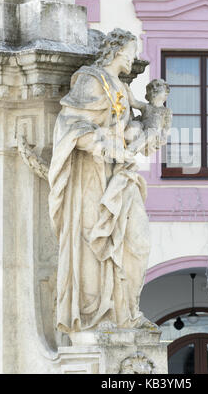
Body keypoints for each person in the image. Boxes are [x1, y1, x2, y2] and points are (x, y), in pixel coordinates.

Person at [48, 28, 159, 334]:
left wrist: (143, 129)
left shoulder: (122, 88)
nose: (133, 58)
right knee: (94, 244)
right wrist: (107, 144)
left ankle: (127, 312)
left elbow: (130, 131)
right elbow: (70, 125)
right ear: (116, 51)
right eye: (130, 52)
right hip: (92, 179)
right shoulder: (90, 80)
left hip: (121, 178)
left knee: (138, 242)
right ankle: (103, 315)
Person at [124, 78, 172, 156]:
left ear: (165, 95)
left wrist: (162, 138)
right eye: (151, 90)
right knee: (135, 125)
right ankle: (127, 146)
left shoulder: (166, 111)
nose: (154, 90)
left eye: (158, 88)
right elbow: (133, 102)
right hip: (141, 133)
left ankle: (130, 150)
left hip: (152, 140)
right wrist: (126, 88)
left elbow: (166, 128)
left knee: (151, 132)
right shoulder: (146, 106)